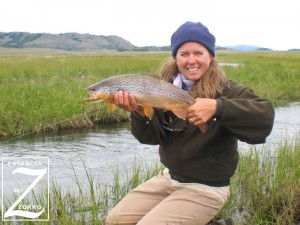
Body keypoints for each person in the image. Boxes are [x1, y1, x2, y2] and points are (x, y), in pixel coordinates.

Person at [105, 21, 275, 225]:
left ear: (210, 56)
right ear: (176, 58)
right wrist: (140, 112)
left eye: (198, 53)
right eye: (184, 54)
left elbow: (264, 118)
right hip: (169, 178)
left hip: (207, 188)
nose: (191, 60)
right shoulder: (161, 89)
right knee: (114, 220)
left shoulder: (228, 91)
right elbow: (150, 138)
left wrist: (218, 108)